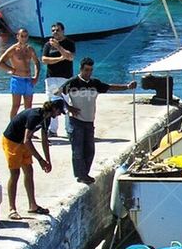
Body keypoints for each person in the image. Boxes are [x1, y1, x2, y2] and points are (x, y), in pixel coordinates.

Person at [56, 57, 136, 185]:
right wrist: (69, 107)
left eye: (91, 70)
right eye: (86, 70)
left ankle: (85, 173)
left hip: (89, 121)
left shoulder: (94, 83)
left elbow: (109, 87)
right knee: (78, 150)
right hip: (76, 121)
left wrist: (127, 87)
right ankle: (81, 175)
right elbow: (57, 94)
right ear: (81, 69)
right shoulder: (72, 82)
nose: (89, 73)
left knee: (90, 150)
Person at [2, 100, 65, 219]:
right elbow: (27, 139)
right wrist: (40, 160)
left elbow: (44, 139)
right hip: (12, 142)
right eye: (59, 112)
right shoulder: (35, 116)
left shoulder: (46, 118)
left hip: (23, 143)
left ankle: (33, 205)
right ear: (54, 109)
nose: (59, 115)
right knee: (15, 174)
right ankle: (12, 209)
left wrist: (48, 160)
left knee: (29, 171)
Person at [0, 28, 40, 119]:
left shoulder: (30, 49)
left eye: (26, 36)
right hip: (17, 80)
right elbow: (0, 63)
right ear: (18, 37)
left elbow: (36, 62)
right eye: (22, 36)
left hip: (28, 80)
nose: (24, 38)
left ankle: (27, 129)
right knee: (16, 105)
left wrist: (36, 76)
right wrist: (12, 70)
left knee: (28, 107)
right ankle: (13, 128)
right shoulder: (13, 49)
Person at [41, 22, 75, 137]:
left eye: (58, 30)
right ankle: (52, 129)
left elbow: (70, 57)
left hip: (65, 78)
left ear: (63, 31)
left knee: (67, 103)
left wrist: (58, 47)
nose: (55, 32)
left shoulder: (69, 43)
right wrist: (60, 58)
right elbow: (44, 59)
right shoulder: (47, 45)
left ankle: (69, 129)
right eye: (53, 30)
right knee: (51, 104)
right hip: (51, 78)